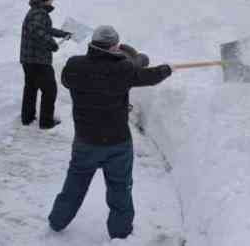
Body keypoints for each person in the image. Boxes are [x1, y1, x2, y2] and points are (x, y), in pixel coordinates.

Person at [48, 26, 173, 239]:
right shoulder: (123, 70)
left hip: (85, 141)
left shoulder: (74, 65)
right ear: (114, 47)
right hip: (117, 143)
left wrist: (133, 62)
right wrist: (166, 69)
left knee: (74, 184)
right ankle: (120, 231)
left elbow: (69, 80)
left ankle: (57, 221)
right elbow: (147, 76)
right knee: (120, 188)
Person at [20, 0, 71, 129]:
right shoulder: (39, 13)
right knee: (50, 90)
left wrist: (62, 33)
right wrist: (51, 43)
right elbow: (37, 31)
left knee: (31, 87)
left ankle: (27, 117)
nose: (53, 0)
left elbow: (45, 29)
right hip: (38, 59)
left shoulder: (37, 11)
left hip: (29, 58)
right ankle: (46, 122)